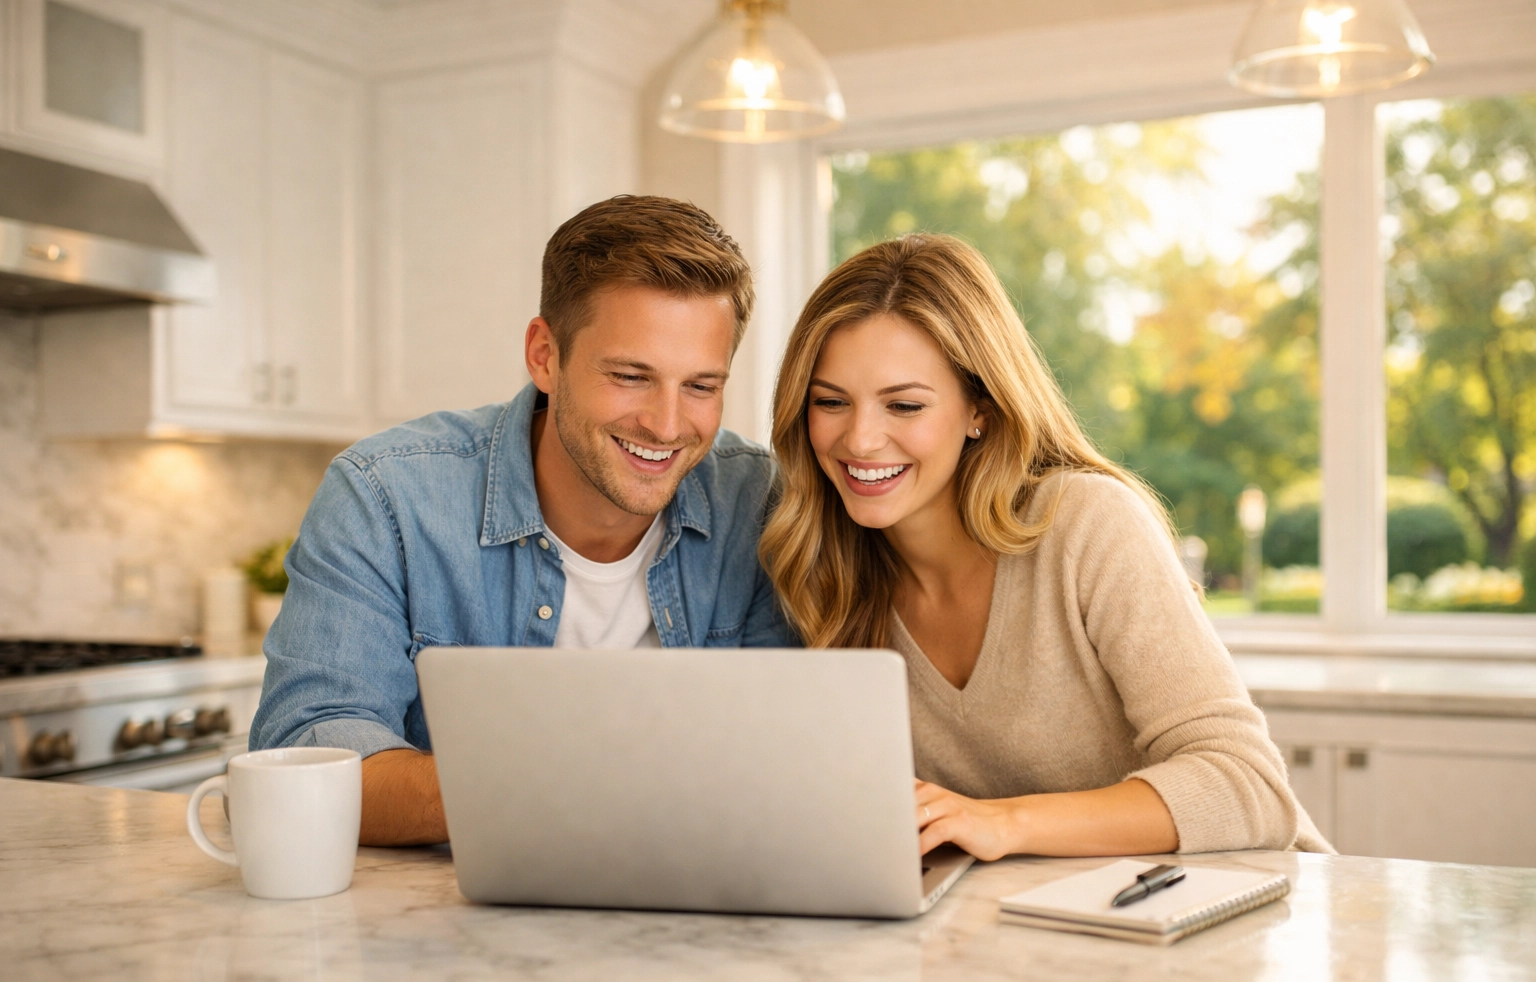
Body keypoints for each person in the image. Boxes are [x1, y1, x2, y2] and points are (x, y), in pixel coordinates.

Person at [759, 233, 1331, 860]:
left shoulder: (1086, 524)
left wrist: (1003, 823)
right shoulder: (827, 572)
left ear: (979, 409)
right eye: (831, 402)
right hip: (1041, 914)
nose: (861, 439)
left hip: (1255, 901)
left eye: (904, 405)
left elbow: (1247, 786)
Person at [251, 196, 797, 846]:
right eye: (631, 376)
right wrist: (566, 784)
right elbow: (306, 763)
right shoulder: (385, 496)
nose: (667, 424)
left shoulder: (757, 502)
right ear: (544, 356)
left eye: (702, 386)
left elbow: (787, 754)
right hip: (452, 904)